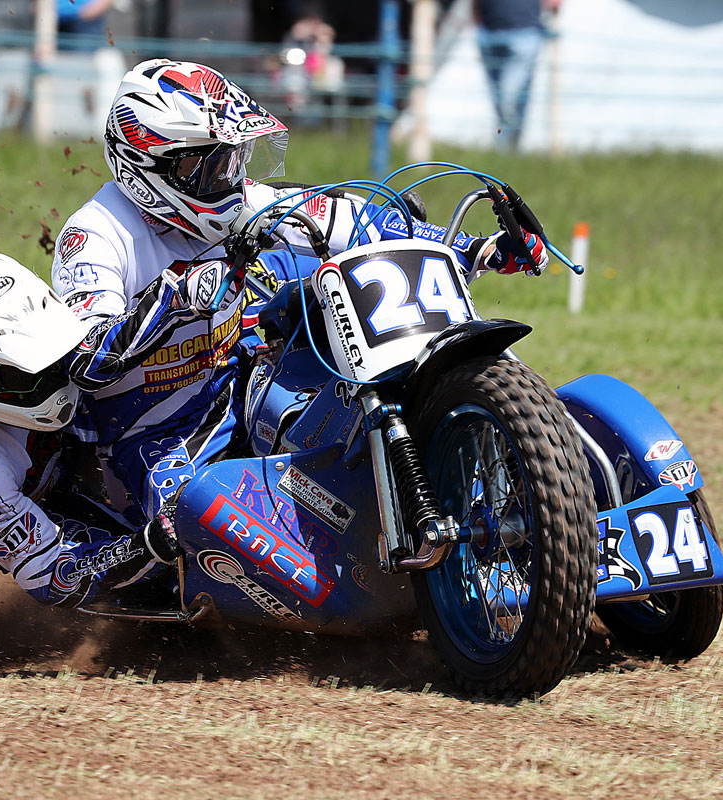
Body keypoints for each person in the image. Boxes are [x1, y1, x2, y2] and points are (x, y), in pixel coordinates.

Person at [51, 58, 549, 536]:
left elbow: (356, 220)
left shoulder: (243, 200)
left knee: (347, 369)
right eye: (210, 167)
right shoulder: (94, 238)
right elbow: (84, 359)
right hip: (153, 430)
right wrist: (172, 297)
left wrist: (479, 248)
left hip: (235, 384)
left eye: (233, 159)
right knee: (189, 517)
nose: (230, 181)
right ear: (151, 168)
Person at [0, 251, 179, 609]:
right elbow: (55, 578)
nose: (53, 379)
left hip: (49, 444)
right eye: (24, 375)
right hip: (26, 500)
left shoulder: (8, 355)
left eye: (55, 351)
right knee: (161, 571)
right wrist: (146, 545)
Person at [474, 0, 560, 148]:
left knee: (507, 97)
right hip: (489, 32)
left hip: (524, 33)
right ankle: (511, 148)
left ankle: (504, 147)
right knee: (501, 97)